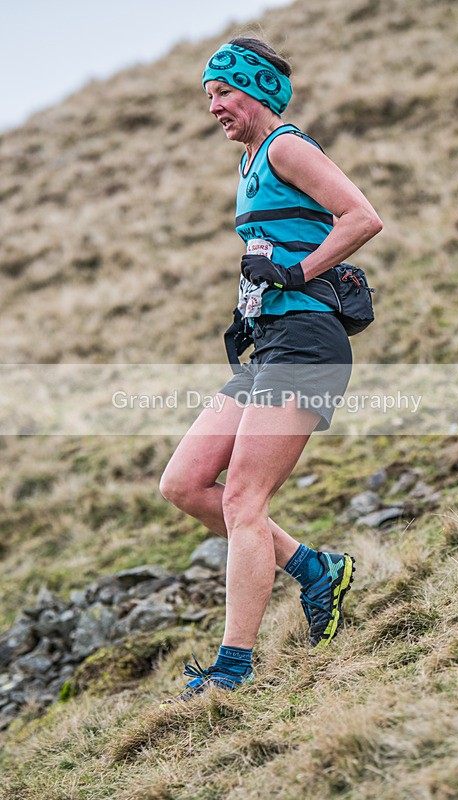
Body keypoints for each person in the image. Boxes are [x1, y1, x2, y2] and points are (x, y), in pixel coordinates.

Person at [159, 37, 382, 701]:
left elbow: (361, 217)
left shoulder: (286, 145)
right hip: (273, 341)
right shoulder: (250, 159)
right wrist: (251, 308)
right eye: (208, 95)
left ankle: (233, 669)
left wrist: (293, 274)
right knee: (185, 483)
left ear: (255, 91)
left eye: (223, 92)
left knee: (242, 500)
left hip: (307, 343)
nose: (213, 108)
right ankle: (315, 570)